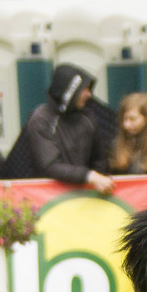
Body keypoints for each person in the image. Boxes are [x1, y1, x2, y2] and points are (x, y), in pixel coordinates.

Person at [23, 63, 115, 194]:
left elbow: (99, 159)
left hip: (86, 198)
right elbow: (50, 166)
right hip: (51, 199)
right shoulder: (40, 120)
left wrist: (97, 179)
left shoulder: (88, 117)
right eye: (84, 89)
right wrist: (89, 176)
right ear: (69, 92)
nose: (89, 94)